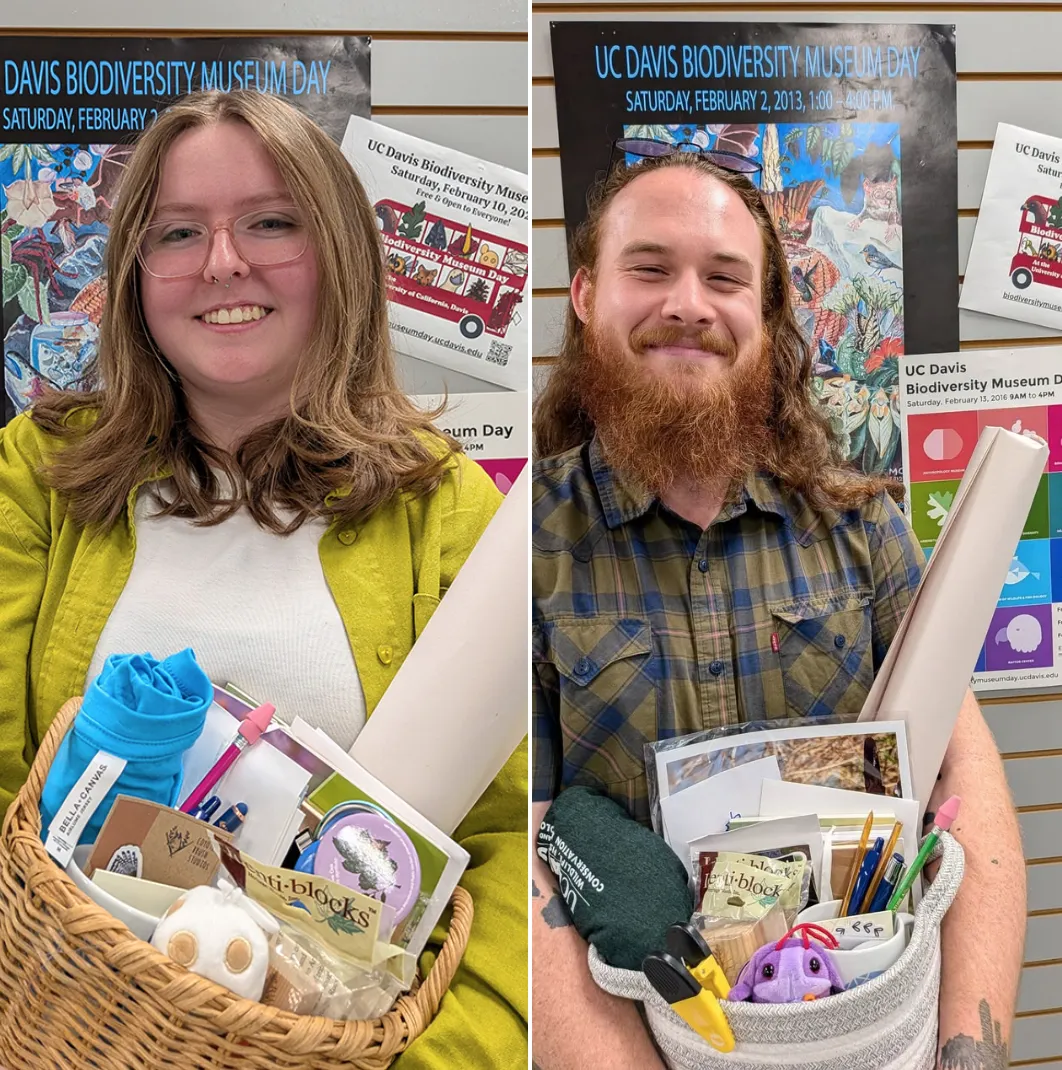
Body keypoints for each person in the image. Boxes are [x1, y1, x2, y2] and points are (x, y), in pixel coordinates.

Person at [0, 90, 526, 1068]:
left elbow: (502, 854)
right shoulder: (33, 474)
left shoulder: (445, 508)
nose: (223, 261)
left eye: (272, 221)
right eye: (177, 231)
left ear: (339, 257)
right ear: (134, 277)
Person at [531, 150, 1024, 1069]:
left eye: (725, 278)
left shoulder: (861, 522)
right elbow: (529, 848)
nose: (688, 302)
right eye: (650, 268)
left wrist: (971, 1047)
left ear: (764, 316)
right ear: (587, 294)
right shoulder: (523, 548)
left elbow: (969, 777)